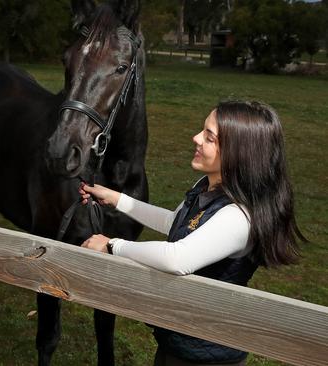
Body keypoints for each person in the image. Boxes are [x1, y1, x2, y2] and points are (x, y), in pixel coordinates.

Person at [79, 100, 305, 366]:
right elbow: (175, 223)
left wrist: (112, 246)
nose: (196, 138)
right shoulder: (207, 187)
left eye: (209, 137)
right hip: (181, 341)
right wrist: (115, 198)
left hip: (206, 354)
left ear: (238, 153)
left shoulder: (239, 217)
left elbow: (178, 258)